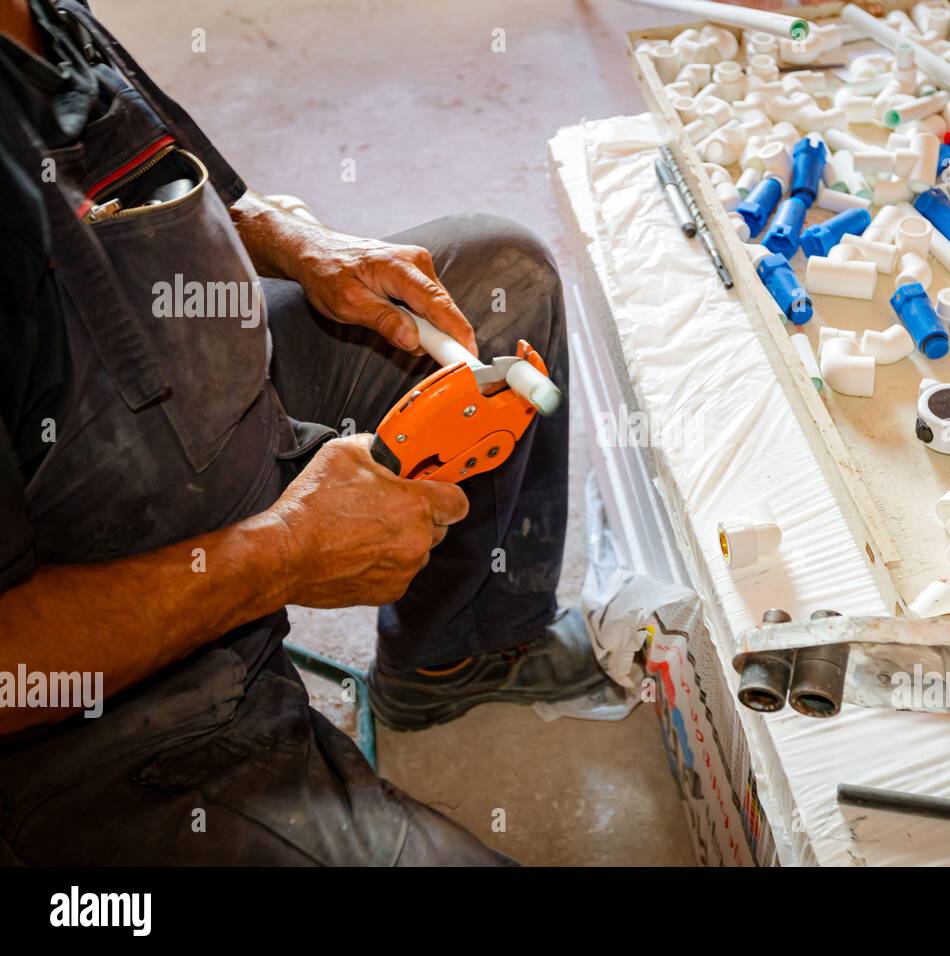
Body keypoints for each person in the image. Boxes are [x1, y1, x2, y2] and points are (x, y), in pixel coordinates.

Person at [0, 0, 606, 865]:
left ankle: (452, 659)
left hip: (209, 423)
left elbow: (160, 167)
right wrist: (283, 554)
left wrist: (292, 237)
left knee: (501, 276)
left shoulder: (35, 16)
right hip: (92, 715)